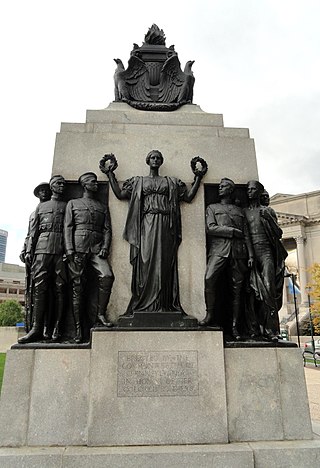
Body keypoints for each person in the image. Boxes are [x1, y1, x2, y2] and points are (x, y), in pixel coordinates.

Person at [100, 150, 206, 314]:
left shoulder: (171, 182)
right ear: (148, 161)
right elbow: (120, 194)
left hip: (165, 225)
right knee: (145, 261)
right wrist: (110, 174)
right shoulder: (138, 182)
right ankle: (144, 304)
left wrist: (198, 177)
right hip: (146, 226)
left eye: (158, 158)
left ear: (161, 161)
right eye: (152, 157)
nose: (155, 160)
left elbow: (188, 197)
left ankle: (164, 305)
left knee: (164, 263)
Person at [199, 178, 254, 339]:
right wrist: (231, 231)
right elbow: (210, 228)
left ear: (230, 190)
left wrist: (251, 254)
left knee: (237, 291)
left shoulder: (239, 211)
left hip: (238, 252)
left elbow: (247, 234)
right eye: (220, 186)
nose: (220, 189)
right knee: (209, 279)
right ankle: (209, 315)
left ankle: (235, 326)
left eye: (223, 187)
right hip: (218, 250)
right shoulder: (212, 207)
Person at [64, 172, 114, 342]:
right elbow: (68, 227)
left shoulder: (102, 206)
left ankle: (100, 314)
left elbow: (107, 229)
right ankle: (78, 330)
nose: (96, 185)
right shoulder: (73, 203)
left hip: (97, 249)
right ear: (85, 184)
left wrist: (105, 247)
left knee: (107, 276)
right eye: (93, 182)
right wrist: (69, 250)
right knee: (78, 287)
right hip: (78, 248)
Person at [18, 175, 67, 343]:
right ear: (52, 187)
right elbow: (33, 231)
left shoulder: (67, 206)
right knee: (40, 289)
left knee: (60, 288)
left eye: (63, 184)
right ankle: (36, 328)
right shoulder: (41, 208)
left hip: (61, 249)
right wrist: (29, 250)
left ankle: (56, 328)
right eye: (58, 184)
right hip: (42, 250)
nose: (62, 186)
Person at [244, 180, 287, 341]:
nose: (249, 192)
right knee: (252, 292)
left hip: (266, 251)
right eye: (248, 189)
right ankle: (254, 327)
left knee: (268, 289)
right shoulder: (245, 212)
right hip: (251, 252)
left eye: (253, 189)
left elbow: (278, 233)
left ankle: (272, 330)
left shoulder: (267, 210)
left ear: (258, 192)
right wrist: (249, 255)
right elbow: (245, 234)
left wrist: (269, 219)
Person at [19, 182, 52, 333]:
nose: (44, 193)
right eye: (41, 191)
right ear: (38, 194)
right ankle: (33, 326)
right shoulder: (34, 213)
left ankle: (47, 326)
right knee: (34, 292)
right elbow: (30, 234)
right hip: (36, 254)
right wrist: (25, 249)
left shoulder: (55, 208)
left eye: (46, 190)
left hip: (50, 251)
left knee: (50, 291)